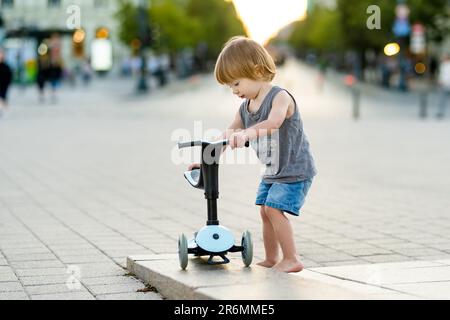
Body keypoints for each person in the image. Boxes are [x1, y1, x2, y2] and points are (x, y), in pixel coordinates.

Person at [188, 36, 317, 273]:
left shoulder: (279, 96)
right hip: (272, 170)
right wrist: (205, 159)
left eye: (236, 83)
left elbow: (274, 122)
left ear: (256, 70)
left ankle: (292, 258)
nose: (234, 91)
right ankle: (271, 257)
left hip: (295, 168)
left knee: (273, 209)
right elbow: (228, 133)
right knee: (264, 211)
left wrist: (247, 134)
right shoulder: (244, 108)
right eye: (229, 87)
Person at [0, 48, 13, 117]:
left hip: (4, 85)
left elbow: (9, 75)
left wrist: (8, 83)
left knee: (4, 97)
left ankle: (6, 110)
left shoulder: (6, 66)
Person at [437, 54, 450, 119]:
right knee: (442, 99)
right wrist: (440, 81)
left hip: (447, 84)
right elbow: (442, 75)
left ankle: (441, 112)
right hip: (444, 84)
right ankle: (441, 112)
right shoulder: (443, 65)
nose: (442, 58)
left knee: (442, 99)